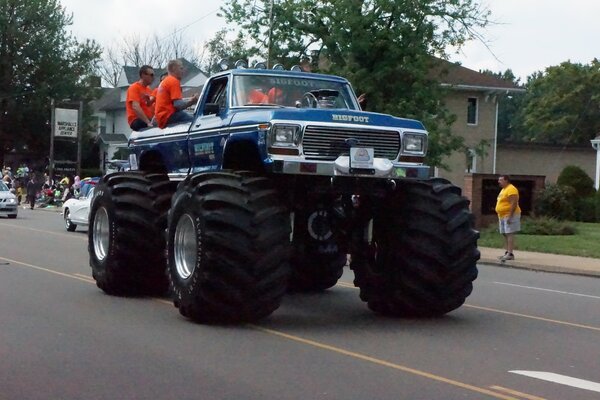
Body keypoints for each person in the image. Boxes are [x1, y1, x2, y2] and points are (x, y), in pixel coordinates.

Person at [155, 59, 199, 128]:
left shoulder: (165, 81)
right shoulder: (173, 81)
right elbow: (178, 104)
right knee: (196, 123)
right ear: (173, 69)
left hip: (162, 117)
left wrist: (189, 101)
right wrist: (192, 101)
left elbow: (175, 105)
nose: (183, 71)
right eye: (181, 68)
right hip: (168, 115)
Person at [495, 175, 521, 261]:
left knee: (509, 233)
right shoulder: (503, 190)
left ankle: (510, 253)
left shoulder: (511, 189)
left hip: (509, 215)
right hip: (502, 215)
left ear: (506, 180)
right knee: (504, 233)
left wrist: (510, 215)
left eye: (501, 180)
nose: (499, 182)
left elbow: (514, 203)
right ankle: (507, 252)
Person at [126, 65, 156, 131]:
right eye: (151, 75)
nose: (153, 77)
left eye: (153, 75)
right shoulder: (134, 88)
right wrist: (148, 122)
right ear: (143, 75)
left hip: (149, 119)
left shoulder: (148, 90)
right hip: (136, 120)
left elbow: (150, 105)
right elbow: (135, 107)